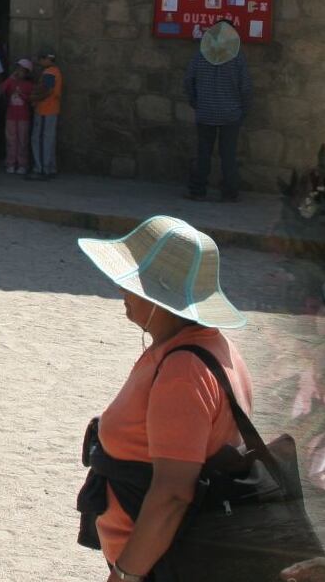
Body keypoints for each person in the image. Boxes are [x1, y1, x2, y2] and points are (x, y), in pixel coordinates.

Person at [77, 216, 253, 581]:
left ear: (158, 295)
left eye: (130, 283)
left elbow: (173, 493)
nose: (120, 289)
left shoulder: (183, 371)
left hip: (159, 566)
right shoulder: (207, 345)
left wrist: (126, 574)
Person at [185, 23, 249, 202]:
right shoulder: (237, 58)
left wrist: (196, 103)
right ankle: (230, 193)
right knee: (228, 155)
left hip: (205, 112)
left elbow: (189, 81)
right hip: (230, 114)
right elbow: (245, 88)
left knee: (203, 153)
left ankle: (197, 190)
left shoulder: (200, 56)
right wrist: (243, 110)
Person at [29, 51, 63, 181]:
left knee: (40, 139)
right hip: (51, 109)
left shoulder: (49, 72)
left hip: (45, 110)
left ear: (46, 60)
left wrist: (34, 98)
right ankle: (50, 168)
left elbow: (48, 90)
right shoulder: (55, 71)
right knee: (48, 139)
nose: (39, 62)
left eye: (41, 59)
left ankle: (42, 169)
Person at [0, 60, 35, 177]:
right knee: (11, 140)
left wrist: (23, 96)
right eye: (18, 69)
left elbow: (32, 99)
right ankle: (10, 163)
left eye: (21, 70)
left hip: (23, 117)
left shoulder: (29, 85)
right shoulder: (11, 82)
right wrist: (10, 79)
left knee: (22, 141)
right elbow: (1, 89)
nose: (19, 72)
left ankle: (22, 164)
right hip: (10, 116)